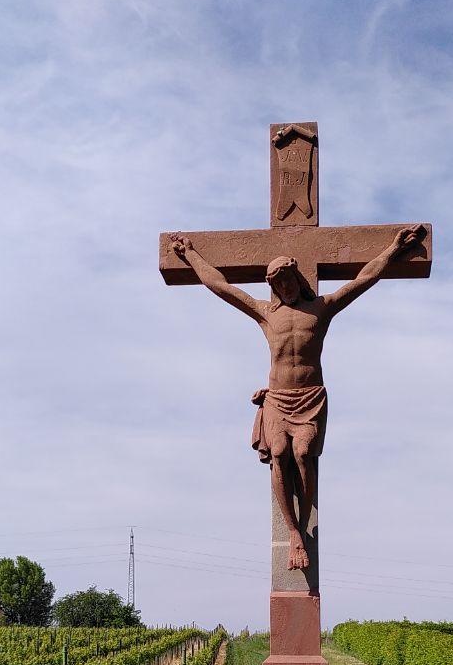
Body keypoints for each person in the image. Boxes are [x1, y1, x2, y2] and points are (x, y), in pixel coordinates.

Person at [170, 226, 425, 569]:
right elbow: (222, 287)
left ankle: (303, 526)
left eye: (288, 280)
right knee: (279, 454)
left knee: (303, 454)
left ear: (297, 279)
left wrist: (393, 250)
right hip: (277, 398)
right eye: (278, 284)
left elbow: (363, 279)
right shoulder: (266, 312)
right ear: (273, 287)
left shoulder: (322, 308)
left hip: (309, 398)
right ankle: (294, 533)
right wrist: (191, 255)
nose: (285, 287)